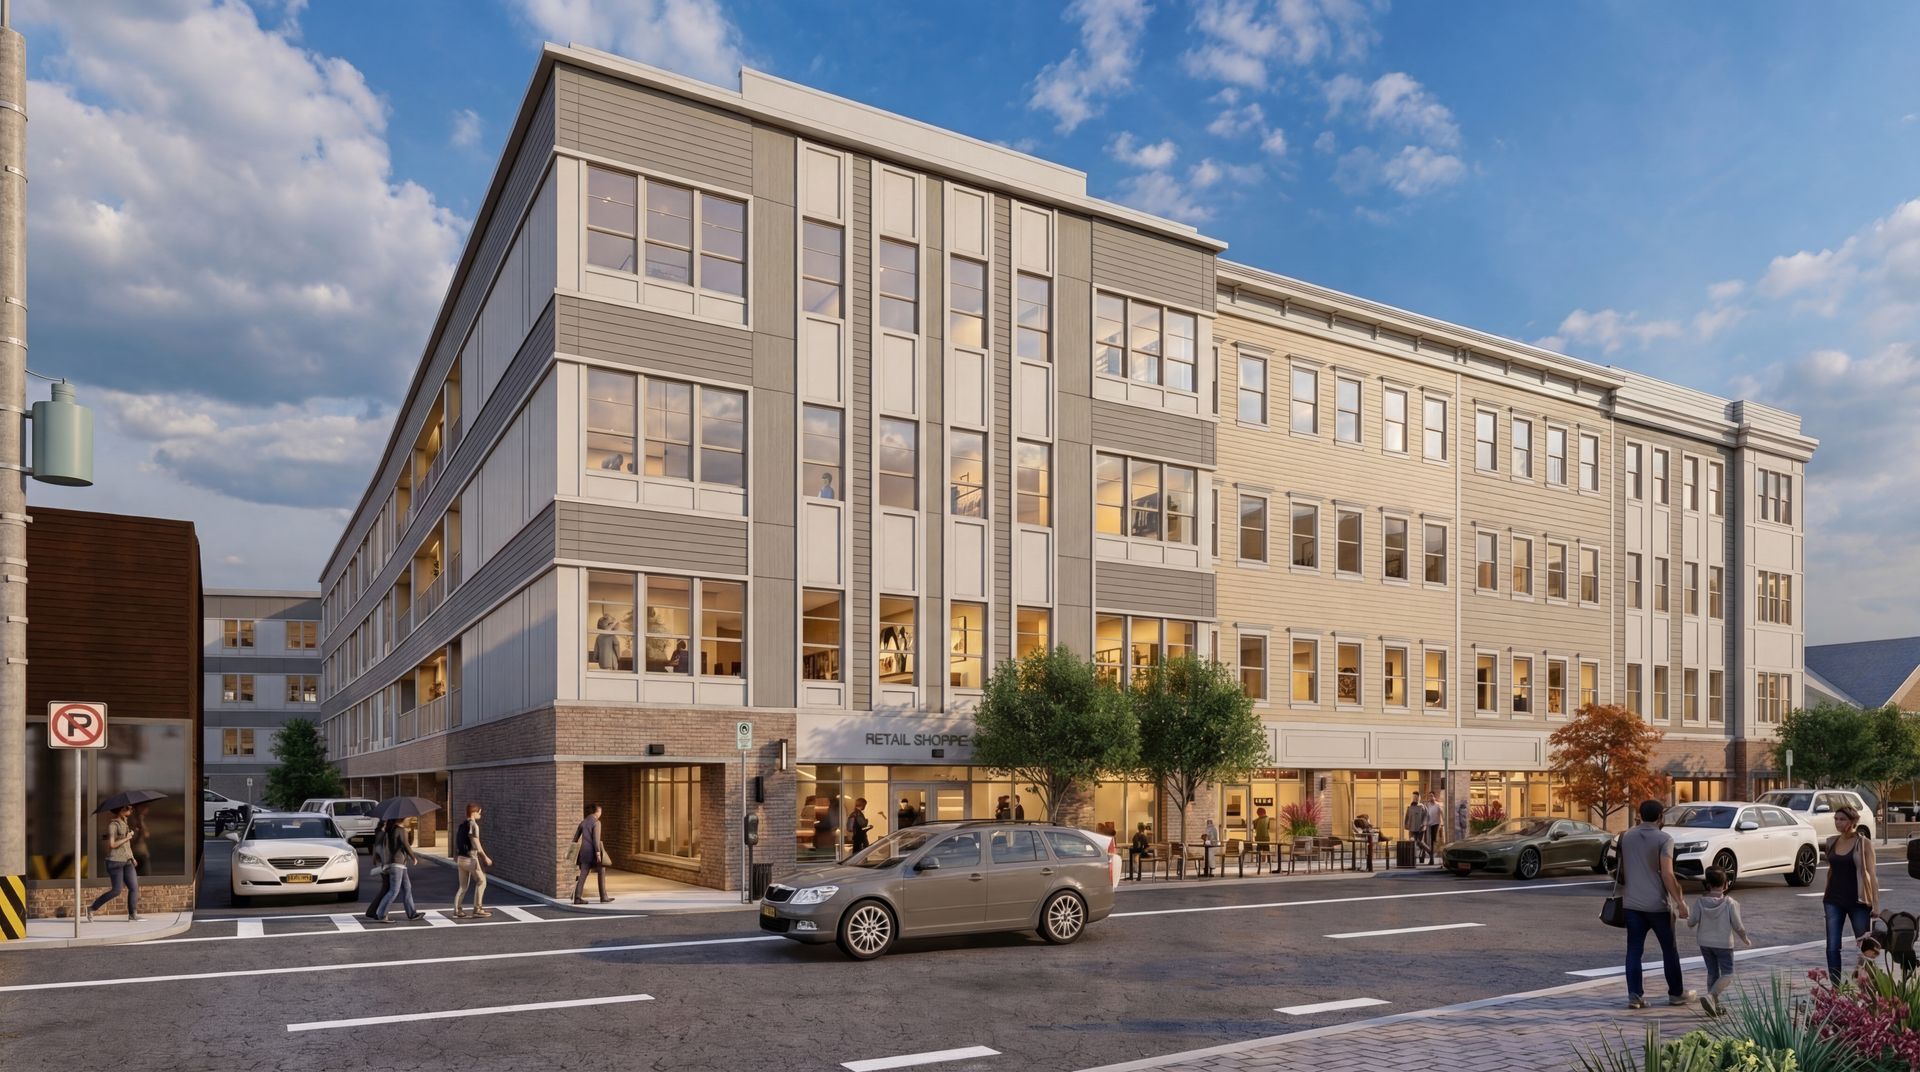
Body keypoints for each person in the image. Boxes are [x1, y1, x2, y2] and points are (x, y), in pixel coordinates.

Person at [1618, 798, 1693, 1009]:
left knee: (1633, 950)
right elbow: (1668, 875)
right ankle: (1676, 994)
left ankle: (1635, 996)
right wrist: (1680, 902)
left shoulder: (1626, 837)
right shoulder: (1664, 839)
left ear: (1639, 815)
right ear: (1661, 817)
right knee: (1669, 950)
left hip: (1631, 903)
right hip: (1657, 905)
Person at [1822, 804, 1879, 980]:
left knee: (1866, 946)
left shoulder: (1863, 843)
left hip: (1858, 902)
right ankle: (1835, 989)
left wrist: (1876, 904)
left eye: (1842, 819)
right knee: (1832, 946)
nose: (1838, 823)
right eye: (1836, 819)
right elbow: (1831, 870)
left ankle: (1865, 983)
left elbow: (1872, 875)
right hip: (1833, 900)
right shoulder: (1831, 842)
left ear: (1853, 821)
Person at [1686, 866, 1751, 1016]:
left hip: (1705, 943)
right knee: (1728, 973)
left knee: (1712, 972)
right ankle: (1711, 996)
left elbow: (1691, 922)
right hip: (1724, 944)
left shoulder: (1700, 902)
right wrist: (1744, 938)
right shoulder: (1730, 903)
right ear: (1726, 884)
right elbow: (1738, 925)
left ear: (1707, 884)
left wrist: (1687, 916)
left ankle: (1713, 1005)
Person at [88, 805, 141, 922]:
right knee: (117, 890)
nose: (131, 810)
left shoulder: (125, 823)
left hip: (127, 861)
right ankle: (92, 908)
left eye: (131, 809)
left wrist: (132, 857)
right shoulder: (113, 825)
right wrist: (127, 837)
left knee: (134, 887)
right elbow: (111, 845)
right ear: (121, 810)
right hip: (115, 862)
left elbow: (126, 846)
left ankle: (133, 914)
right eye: (129, 809)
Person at [371, 818, 423, 923]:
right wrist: (413, 857)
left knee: (407, 887)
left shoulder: (390, 830)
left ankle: (412, 914)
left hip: (397, 864)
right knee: (394, 891)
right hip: (397, 864)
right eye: (407, 818)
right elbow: (406, 844)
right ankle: (381, 914)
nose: (408, 820)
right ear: (401, 819)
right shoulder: (400, 830)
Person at [452, 803, 493, 919]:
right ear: (474, 813)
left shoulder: (462, 825)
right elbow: (476, 843)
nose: (480, 815)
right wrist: (485, 857)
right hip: (470, 859)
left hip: (460, 858)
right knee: (482, 881)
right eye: (479, 813)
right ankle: (478, 909)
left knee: (463, 886)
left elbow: (459, 841)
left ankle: (457, 910)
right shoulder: (473, 825)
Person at [572, 803, 611, 905]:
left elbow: (575, 839)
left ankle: (577, 898)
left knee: (583, 874)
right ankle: (603, 897)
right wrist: (598, 853)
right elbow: (596, 840)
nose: (600, 813)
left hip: (583, 852)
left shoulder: (583, 822)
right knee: (602, 869)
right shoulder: (596, 822)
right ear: (597, 812)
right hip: (593, 852)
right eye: (600, 811)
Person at [1404, 797, 1430, 863]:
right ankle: (1413, 858)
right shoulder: (1409, 809)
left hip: (1420, 828)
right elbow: (1406, 817)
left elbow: (1426, 817)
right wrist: (1406, 825)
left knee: (1420, 842)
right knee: (1413, 841)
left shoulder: (1422, 808)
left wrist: (1423, 825)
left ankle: (1430, 852)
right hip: (1412, 828)